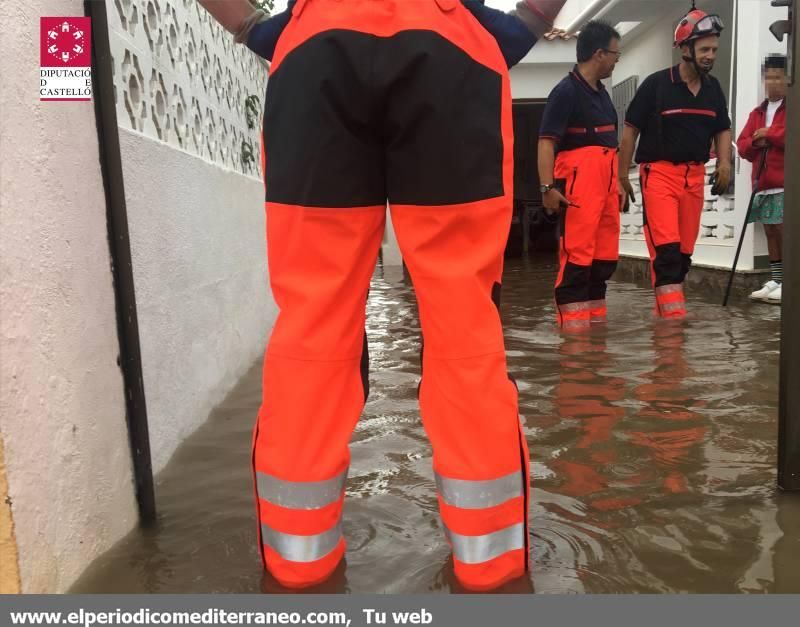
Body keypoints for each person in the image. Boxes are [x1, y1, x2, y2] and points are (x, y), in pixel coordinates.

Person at [197, 0, 565, 592]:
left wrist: (250, 26)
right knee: (463, 325)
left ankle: (299, 575)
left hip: (315, 44)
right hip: (451, 43)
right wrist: (528, 22)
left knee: (313, 324)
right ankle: (492, 577)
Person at [619, 8, 732, 318]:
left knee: (682, 256)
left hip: (694, 178)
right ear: (685, 49)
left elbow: (723, 128)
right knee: (667, 252)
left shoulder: (713, 90)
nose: (711, 56)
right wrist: (621, 176)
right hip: (658, 175)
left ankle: (665, 317)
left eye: (714, 50)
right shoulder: (656, 85)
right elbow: (630, 130)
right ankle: (672, 333)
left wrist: (725, 163)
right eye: (704, 49)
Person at [537, 20, 622, 331]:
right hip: (579, 188)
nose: (616, 60)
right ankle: (574, 346)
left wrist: (619, 184)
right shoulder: (566, 92)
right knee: (577, 260)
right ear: (599, 54)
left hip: (606, 189)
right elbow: (546, 142)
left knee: (603, 261)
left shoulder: (602, 94)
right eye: (615, 54)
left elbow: (608, 146)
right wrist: (547, 187)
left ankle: (595, 338)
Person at [737, 54, 787, 304]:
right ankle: (776, 280)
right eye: (768, 77)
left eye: (777, 77)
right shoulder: (758, 111)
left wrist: (771, 134)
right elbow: (743, 146)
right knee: (770, 232)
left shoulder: (792, 106)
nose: (772, 82)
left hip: (785, 183)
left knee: (784, 231)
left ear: (788, 79)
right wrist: (757, 140)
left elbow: (790, 136)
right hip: (763, 184)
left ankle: (789, 281)